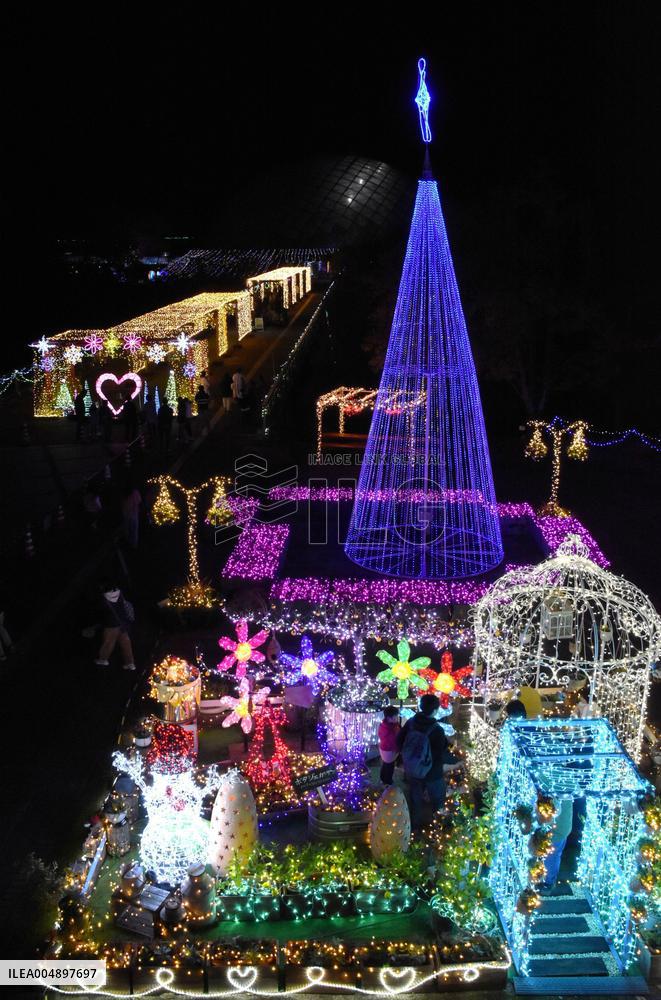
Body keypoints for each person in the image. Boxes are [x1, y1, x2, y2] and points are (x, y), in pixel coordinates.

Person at [398, 693, 460, 828]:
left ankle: (414, 827)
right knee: (438, 800)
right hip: (432, 772)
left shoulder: (411, 723)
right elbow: (440, 755)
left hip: (413, 769)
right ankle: (438, 829)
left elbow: (399, 741)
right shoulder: (437, 729)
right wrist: (456, 760)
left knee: (415, 800)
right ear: (435, 710)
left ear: (420, 707)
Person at [95, 582, 136, 670]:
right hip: (123, 622)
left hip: (111, 624)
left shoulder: (104, 598)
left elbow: (102, 611)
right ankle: (130, 663)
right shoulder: (119, 592)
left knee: (108, 642)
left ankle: (103, 660)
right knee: (126, 643)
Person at [540, 797, 573, 888]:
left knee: (552, 855)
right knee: (554, 854)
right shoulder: (568, 786)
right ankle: (548, 881)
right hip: (561, 827)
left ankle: (548, 882)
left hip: (556, 829)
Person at [378, 706, 400, 785]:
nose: (397, 718)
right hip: (389, 750)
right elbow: (394, 741)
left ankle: (383, 779)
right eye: (395, 716)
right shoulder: (390, 728)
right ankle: (388, 782)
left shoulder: (384, 724)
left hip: (384, 748)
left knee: (386, 765)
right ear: (389, 718)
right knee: (389, 767)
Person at [121, 479, 142, 549]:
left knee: (127, 529)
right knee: (134, 530)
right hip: (133, 515)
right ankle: (133, 545)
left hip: (126, 514)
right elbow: (139, 501)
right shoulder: (135, 493)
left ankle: (127, 543)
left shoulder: (124, 494)